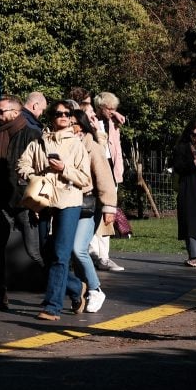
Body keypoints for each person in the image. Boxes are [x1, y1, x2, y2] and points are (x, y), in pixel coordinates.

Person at [17, 100, 92, 321]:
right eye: (58, 113)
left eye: (66, 114)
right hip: (43, 202)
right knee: (45, 255)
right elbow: (22, 165)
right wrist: (36, 177)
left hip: (69, 202)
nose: (62, 117)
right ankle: (76, 287)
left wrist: (64, 169)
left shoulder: (76, 144)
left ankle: (52, 306)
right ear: (52, 117)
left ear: (70, 118)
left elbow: (86, 179)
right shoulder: (39, 141)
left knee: (60, 254)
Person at [0, 95, 41, 311]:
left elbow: (39, 170)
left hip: (25, 202)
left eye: (1, 112)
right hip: (2, 200)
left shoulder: (31, 134)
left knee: (33, 252)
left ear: (15, 113)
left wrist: (36, 204)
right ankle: (0, 294)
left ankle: (70, 287)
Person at [69, 108, 116, 314]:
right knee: (71, 249)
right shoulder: (64, 145)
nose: (67, 125)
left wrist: (109, 208)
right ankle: (81, 286)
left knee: (79, 248)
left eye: (72, 122)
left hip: (88, 205)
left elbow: (105, 179)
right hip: (67, 204)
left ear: (80, 125)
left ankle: (96, 289)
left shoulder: (93, 148)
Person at [90, 91, 126, 271]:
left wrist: (116, 115)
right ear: (99, 107)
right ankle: (93, 253)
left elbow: (121, 121)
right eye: (109, 108)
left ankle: (104, 256)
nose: (112, 111)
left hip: (111, 172)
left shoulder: (113, 122)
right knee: (92, 213)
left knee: (108, 214)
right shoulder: (90, 120)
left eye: (114, 108)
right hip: (95, 172)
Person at [172, 120, 196, 268]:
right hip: (190, 190)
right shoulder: (181, 148)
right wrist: (194, 162)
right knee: (192, 223)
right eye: (195, 135)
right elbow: (178, 167)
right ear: (189, 133)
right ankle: (194, 256)